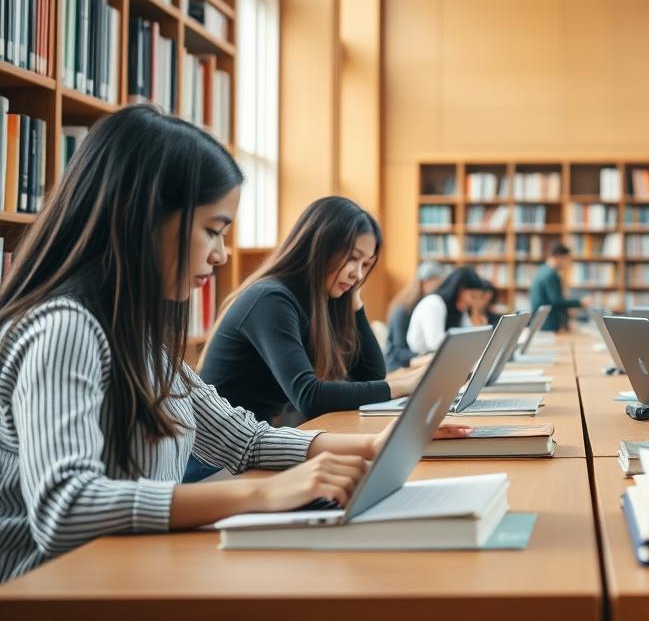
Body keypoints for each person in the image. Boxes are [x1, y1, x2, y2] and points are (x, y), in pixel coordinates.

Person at [0, 106, 470, 583]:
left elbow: (243, 438)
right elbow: (68, 507)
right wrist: (261, 495)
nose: (222, 254)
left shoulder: (137, 338)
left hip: (131, 574)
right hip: (55, 588)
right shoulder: (63, 329)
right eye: (213, 230)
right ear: (139, 218)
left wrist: (370, 446)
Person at [199, 196, 423, 429]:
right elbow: (309, 396)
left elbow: (371, 375)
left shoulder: (319, 301)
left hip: (250, 442)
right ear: (320, 247)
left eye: (366, 264)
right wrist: (406, 384)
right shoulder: (270, 299)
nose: (358, 274)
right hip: (213, 457)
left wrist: (355, 301)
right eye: (353, 258)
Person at [406, 266, 489, 355]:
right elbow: (435, 343)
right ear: (458, 290)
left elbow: (468, 334)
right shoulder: (434, 303)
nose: (474, 302)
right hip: (420, 359)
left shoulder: (459, 308)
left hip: (443, 357)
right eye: (472, 296)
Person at [383, 260, 449, 371]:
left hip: (418, 363)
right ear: (424, 282)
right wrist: (426, 357)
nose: (441, 291)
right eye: (438, 285)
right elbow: (398, 351)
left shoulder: (433, 307)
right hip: (397, 367)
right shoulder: (402, 310)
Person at [530, 243, 584, 332]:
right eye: (567, 260)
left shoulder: (542, 270)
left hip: (541, 323)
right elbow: (556, 301)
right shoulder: (551, 275)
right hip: (548, 325)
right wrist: (579, 303)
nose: (568, 264)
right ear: (559, 257)